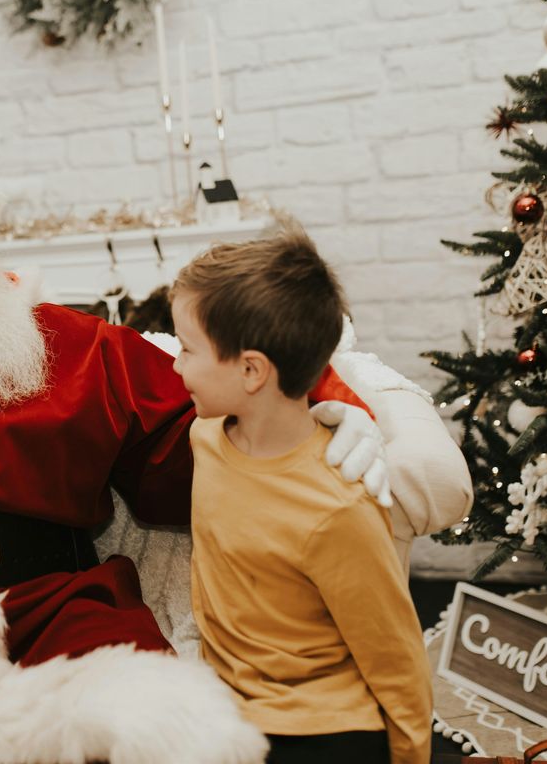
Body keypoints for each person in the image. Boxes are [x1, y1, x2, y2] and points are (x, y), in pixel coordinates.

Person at [0, 110, 465, 760]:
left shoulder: (68, 345)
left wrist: (334, 410)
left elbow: (218, 406)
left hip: (50, 611)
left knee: (154, 725)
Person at [170, 233, 432, 764]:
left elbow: (395, 655)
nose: (175, 365)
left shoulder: (337, 508)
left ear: (251, 370)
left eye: (186, 350)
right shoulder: (206, 437)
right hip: (226, 708)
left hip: (318, 729)